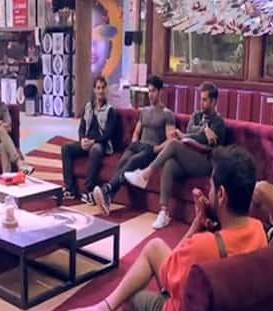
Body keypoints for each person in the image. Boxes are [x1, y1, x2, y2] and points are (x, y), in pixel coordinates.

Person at [67, 146, 268, 311]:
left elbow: (169, 274)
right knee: (154, 247)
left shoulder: (204, 246)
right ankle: (103, 309)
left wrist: (195, 226)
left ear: (222, 194)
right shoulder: (258, 229)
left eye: (212, 187)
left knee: (131, 298)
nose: (209, 191)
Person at [124, 81, 226, 229]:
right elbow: (190, 132)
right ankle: (164, 212)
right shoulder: (197, 115)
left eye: (205, 100)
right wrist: (204, 130)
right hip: (190, 156)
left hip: (205, 162)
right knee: (170, 164)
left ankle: (145, 174)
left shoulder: (218, 122)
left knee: (173, 144)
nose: (201, 103)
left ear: (214, 101)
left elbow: (198, 138)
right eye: (201, 99)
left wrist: (195, 134)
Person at [92, 75, 175, 215]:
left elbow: (170, 140)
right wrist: (134, 142)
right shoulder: (144, 111)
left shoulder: (167, 114)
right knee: (122, 162)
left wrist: (156, 149)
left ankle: (107, 189)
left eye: (153, 91)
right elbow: (137, 131)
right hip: (138, 145)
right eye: (149, 91)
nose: (150, 95)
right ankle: (109, 197)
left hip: (151, 149)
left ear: (161, 92)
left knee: (132, 161)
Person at [62, 76, 117, 205]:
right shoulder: (88, 107)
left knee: (95, 150)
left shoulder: (110, 110)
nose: (100, 91)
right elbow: (82, 127)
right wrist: (82, 140)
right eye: (98, 88)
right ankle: (70, 189)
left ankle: (88, 190)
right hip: (87, 142)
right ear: (94, 90)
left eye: (103, 88)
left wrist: (93, 142)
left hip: (100, 143)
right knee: (66, 148)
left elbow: (108, 134)